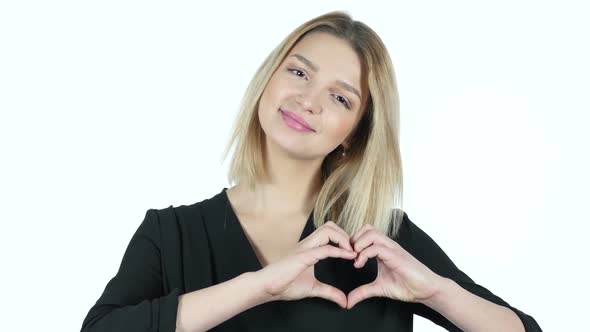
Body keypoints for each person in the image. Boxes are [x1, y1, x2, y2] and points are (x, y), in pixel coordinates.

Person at [80, 10, 542, 332]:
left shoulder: (378, 239)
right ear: (269, 79)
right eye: (299, 73)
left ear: (353, 134)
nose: (309, 100)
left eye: (341, 97)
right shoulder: (169, 234)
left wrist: (437, 294)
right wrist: (256, 288)